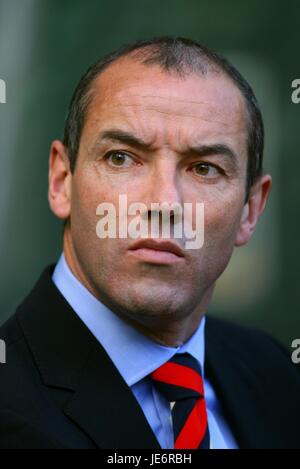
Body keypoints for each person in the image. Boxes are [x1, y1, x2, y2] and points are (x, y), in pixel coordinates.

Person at [0, 37, 299, 450]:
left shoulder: (278, 376)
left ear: (250, 210)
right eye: (122, 158)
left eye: (204, 169)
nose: (164, 204)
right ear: (61, 181)